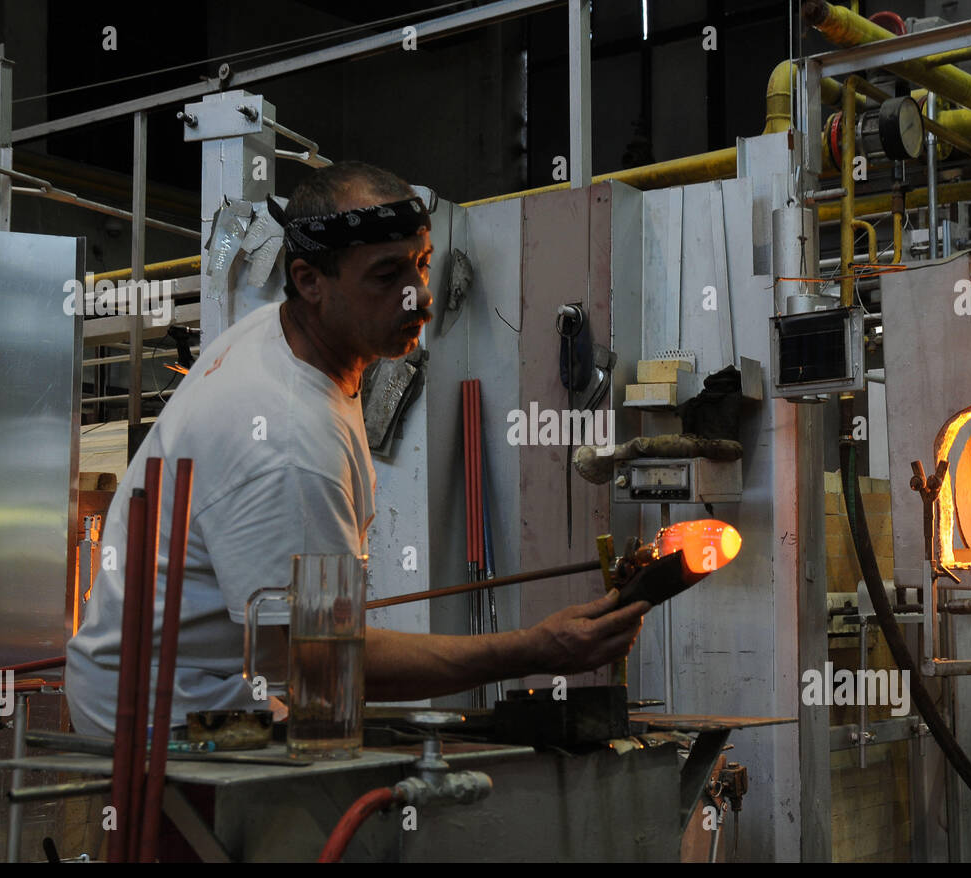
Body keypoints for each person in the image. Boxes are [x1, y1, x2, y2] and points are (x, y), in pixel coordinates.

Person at [64, 160, 649, 736]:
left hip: (201, 688)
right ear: (310, 280)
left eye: (421, 265)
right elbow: (323, 662)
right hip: (162, 722)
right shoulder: (289, 440)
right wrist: (534, 648)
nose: (418, 296)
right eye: (385, 275)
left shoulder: (285, 335)